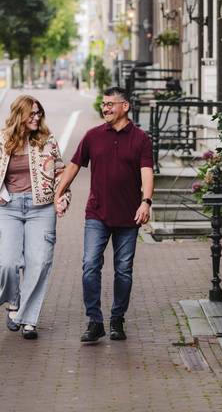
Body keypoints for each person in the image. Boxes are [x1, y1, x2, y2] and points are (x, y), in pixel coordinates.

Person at [55, 86, 153, 343]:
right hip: (97, 213)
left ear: (125, 106)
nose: (105, 108)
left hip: (129, 216)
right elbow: (74, 166)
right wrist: (58, 192)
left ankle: (117, 319)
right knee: (90, 265)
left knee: (123, 270)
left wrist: (146, 202)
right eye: (104, 104)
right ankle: (95, 321)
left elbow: (146, 172)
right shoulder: (93, 136)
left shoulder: (141, 139)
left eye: (111, 104)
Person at [0, 95, 70, 339]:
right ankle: (14, 300)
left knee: (39, 263)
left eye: (38, 113)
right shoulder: (0, 140)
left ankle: (28, 319)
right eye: (31, 114)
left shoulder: (47, 141)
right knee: (5, 263)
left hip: (41, 208)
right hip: (8, 207)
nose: (36, 117)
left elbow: (61, 175)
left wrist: (62, 199)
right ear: (19, 116)